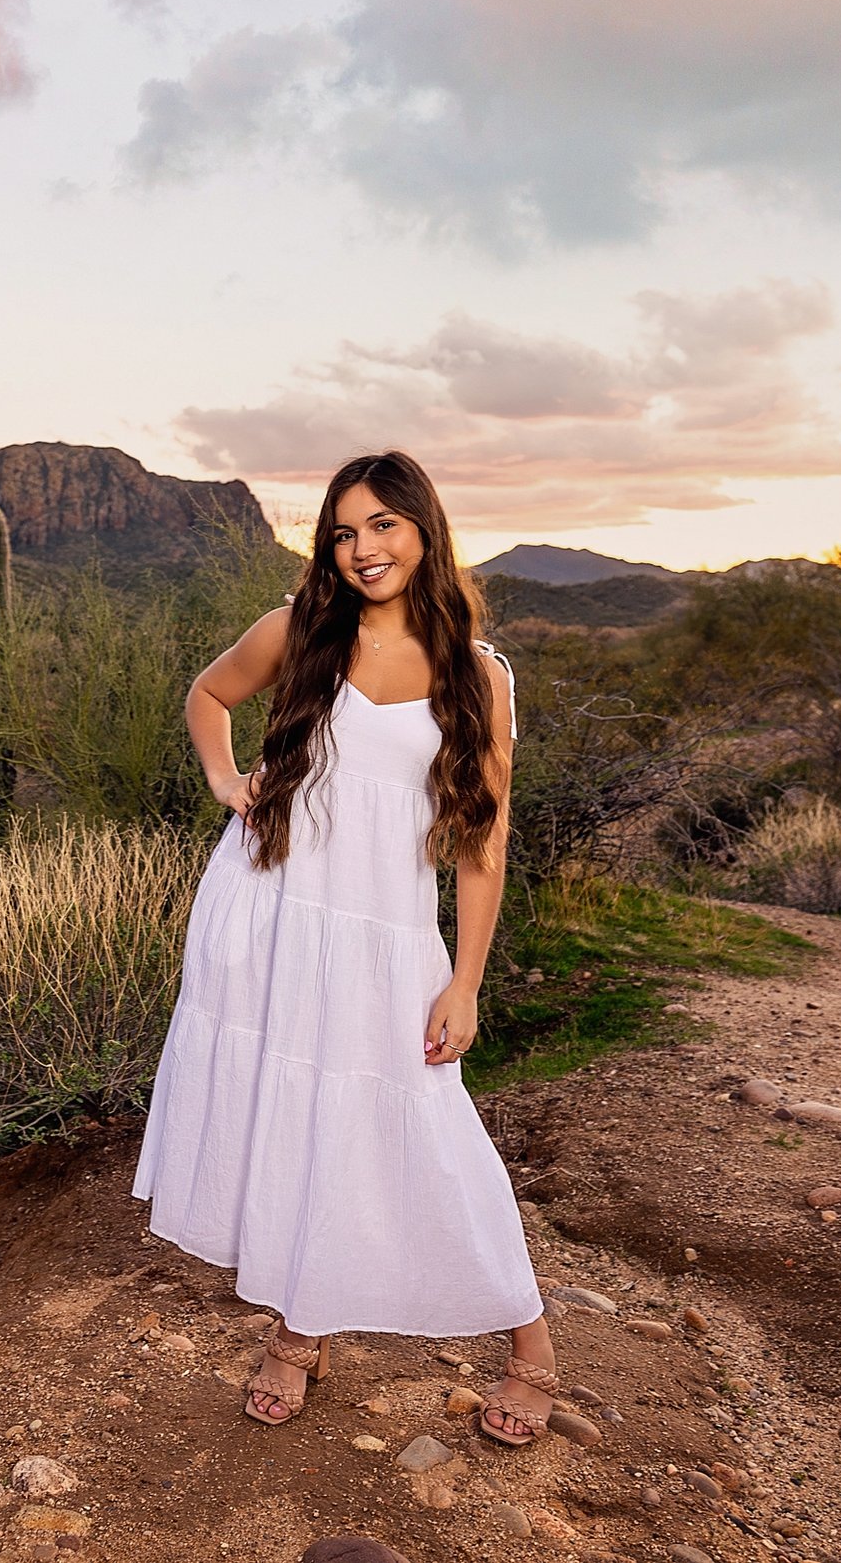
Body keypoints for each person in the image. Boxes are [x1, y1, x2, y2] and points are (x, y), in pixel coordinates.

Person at [129, 449, 562, 1445]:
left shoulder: (477, 677)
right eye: (342, 531)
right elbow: (207, 694)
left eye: (381, 526)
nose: (362, 549)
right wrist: (224, 779)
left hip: (380, 935)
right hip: (266, 912)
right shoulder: (300, 631)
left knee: (420, 1121)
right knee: (295, 1118)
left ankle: (530, 1342)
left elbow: (482, 847)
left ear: (423, 529)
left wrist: (465, 979)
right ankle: (298, 1328)